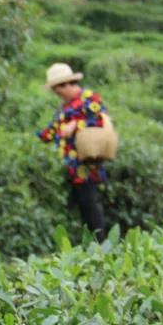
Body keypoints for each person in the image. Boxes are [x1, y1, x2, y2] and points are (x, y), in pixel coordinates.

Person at [37, 63, 109, 241]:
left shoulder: (89, 100)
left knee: (90, 207)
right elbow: (51, 132)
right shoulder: (64, 107)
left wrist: (77, 125)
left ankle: (103, 248)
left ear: (66, 84)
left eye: (57, 90)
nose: (57, 94)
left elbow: (102, 121)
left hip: (87, 166)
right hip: (71, 168)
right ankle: (88, 247)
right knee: (81, 209)